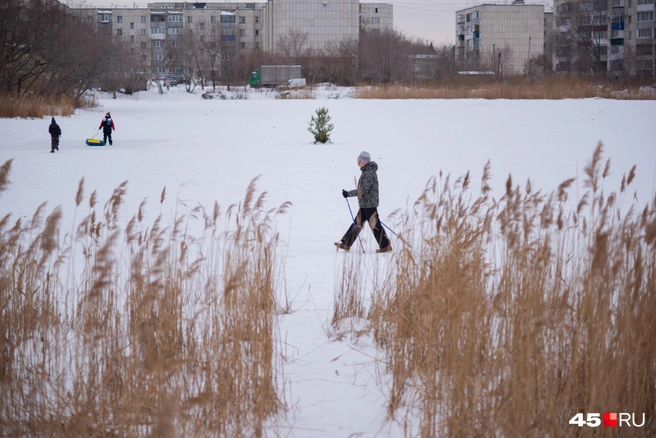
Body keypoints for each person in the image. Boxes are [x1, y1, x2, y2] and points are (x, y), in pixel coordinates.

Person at [335, 151, 392, 253]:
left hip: (369, 204)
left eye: (359, 161)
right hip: (366, 204)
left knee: (375, 225)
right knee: (358, 223)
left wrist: (349, 194)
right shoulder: (367, 172)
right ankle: (346, 243)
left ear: (364, 161)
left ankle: (385, 246)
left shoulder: (368, 173)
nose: (358, 164)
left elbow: (363, 190)